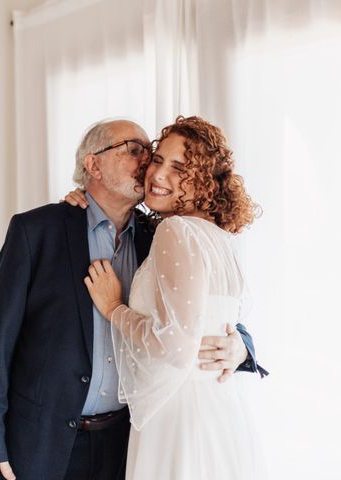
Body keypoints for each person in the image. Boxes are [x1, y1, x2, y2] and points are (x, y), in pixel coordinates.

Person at [0, 119, 265, 480]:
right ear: (93, 165)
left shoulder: (159, 237)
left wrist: (242, 348)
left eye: (150, 152)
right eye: (135, 150)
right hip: (42, 441)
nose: (147, 162)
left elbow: (201, 315)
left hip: (125, 442)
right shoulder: (36, 232)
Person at [80, 115, 265, 479]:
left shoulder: (176, 231)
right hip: (221, 409)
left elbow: (176, 348)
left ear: (205, 181)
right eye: (158, 160)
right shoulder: (222, 238)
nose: (158, 174)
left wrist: (114, 308)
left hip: (179, 414)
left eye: (179, 168)